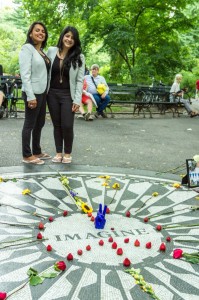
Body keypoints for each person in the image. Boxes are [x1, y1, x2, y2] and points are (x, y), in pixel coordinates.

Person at [47, 26, 85, 163]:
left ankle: (67, 153)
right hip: (52, 93)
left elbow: (80, 80)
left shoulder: (79, 57)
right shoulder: (51, 51)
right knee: (57, 125)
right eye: (67, 36)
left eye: (72, 38)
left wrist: (77, 99)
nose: (69, 39)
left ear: (75, 41)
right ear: (62, 36)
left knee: (67, 125)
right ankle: (58, 152)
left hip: (68, 95)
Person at [19, 21, 52, 165]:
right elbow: (25, 73)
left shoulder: (42, 52)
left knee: (40, 123)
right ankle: (27, 155)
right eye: (37, 30)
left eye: (43, 31)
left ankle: (37, 151)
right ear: (31, 33)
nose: (41, 33)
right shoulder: (27, 48)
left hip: (43, 92)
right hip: (32, 92)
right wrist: (30, 96)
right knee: (29, 124)